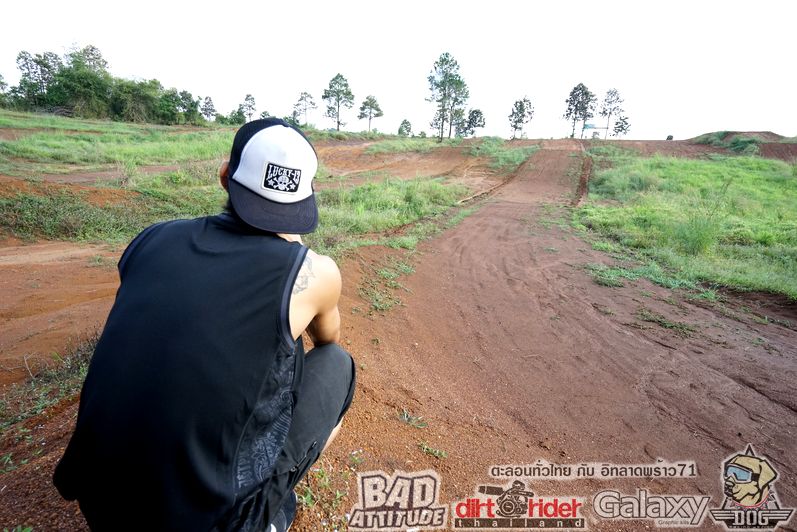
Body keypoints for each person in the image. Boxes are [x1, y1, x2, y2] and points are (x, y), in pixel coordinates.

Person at [53, 118, 356, 531]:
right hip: (207, 525)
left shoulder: (153, 237)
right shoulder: (315, 272)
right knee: (336, 364)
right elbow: (328, 338)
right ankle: (264, 516)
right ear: (307, 198)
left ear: (225, 176)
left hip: (98, 503)